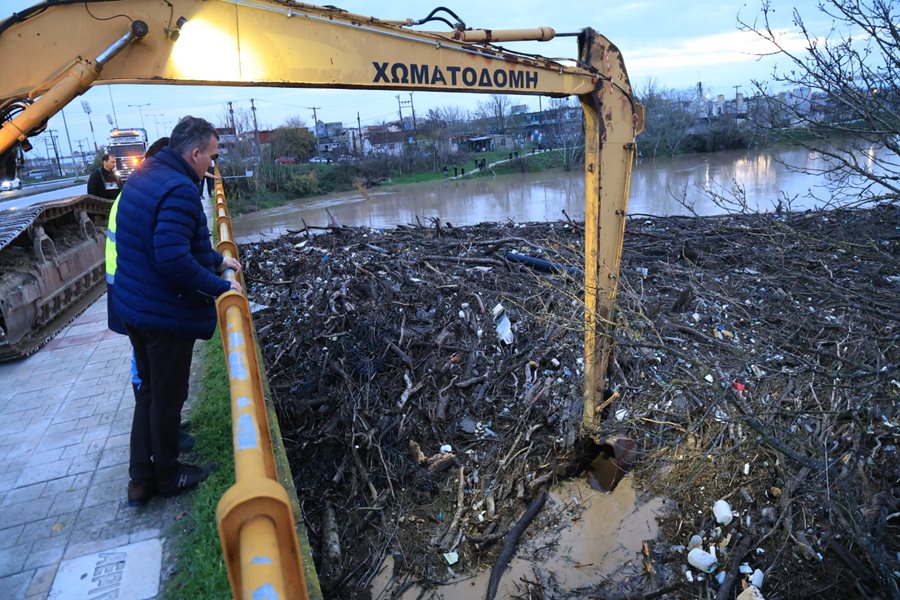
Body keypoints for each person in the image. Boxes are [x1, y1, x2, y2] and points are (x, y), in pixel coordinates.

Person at [113, 116, 242, 505]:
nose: (213, 167)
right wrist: (222, 287)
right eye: (212, 157)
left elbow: (186, 241)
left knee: (148, 394)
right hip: (160, 315)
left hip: (132, 305)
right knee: (168, 398)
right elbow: (172, 258)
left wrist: (219, 261)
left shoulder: (146, 174)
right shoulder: (180, 190)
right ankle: (169, 476)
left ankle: (140, 478)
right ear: (195, 152)